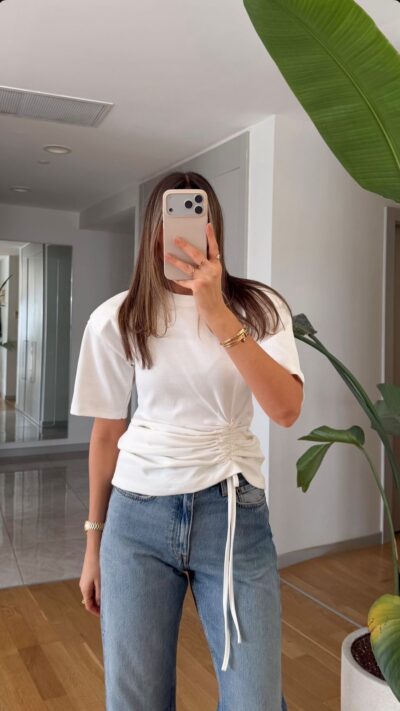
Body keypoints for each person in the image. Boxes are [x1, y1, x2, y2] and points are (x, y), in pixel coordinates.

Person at [70, 170, 305, 711]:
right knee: (137, 701)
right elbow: (107, 434)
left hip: (233, 514)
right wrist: (93, 546)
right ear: (152, 231)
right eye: (169, 220)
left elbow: (286, 409)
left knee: (255, 702)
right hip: (136, 520)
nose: (178, 235)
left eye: (193, 218)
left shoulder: (260, 307)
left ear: (211, 227)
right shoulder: (118, 317)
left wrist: (217, 313)